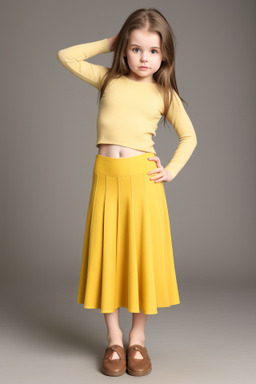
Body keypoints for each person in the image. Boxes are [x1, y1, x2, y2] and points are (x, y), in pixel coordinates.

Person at [57, 7, 197, 377]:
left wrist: (170, 171)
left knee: (138, 258)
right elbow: (65, 56)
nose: (144, 58)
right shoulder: (107, 80)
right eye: (135, 49)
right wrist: (109, 41)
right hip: (106, 178)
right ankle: (113, 339)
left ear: (164, 54)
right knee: (108, 256)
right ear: (124, 50)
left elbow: (189, 136)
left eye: (152, 51)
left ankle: (137, 340)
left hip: (141, 183)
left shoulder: (164, 93)